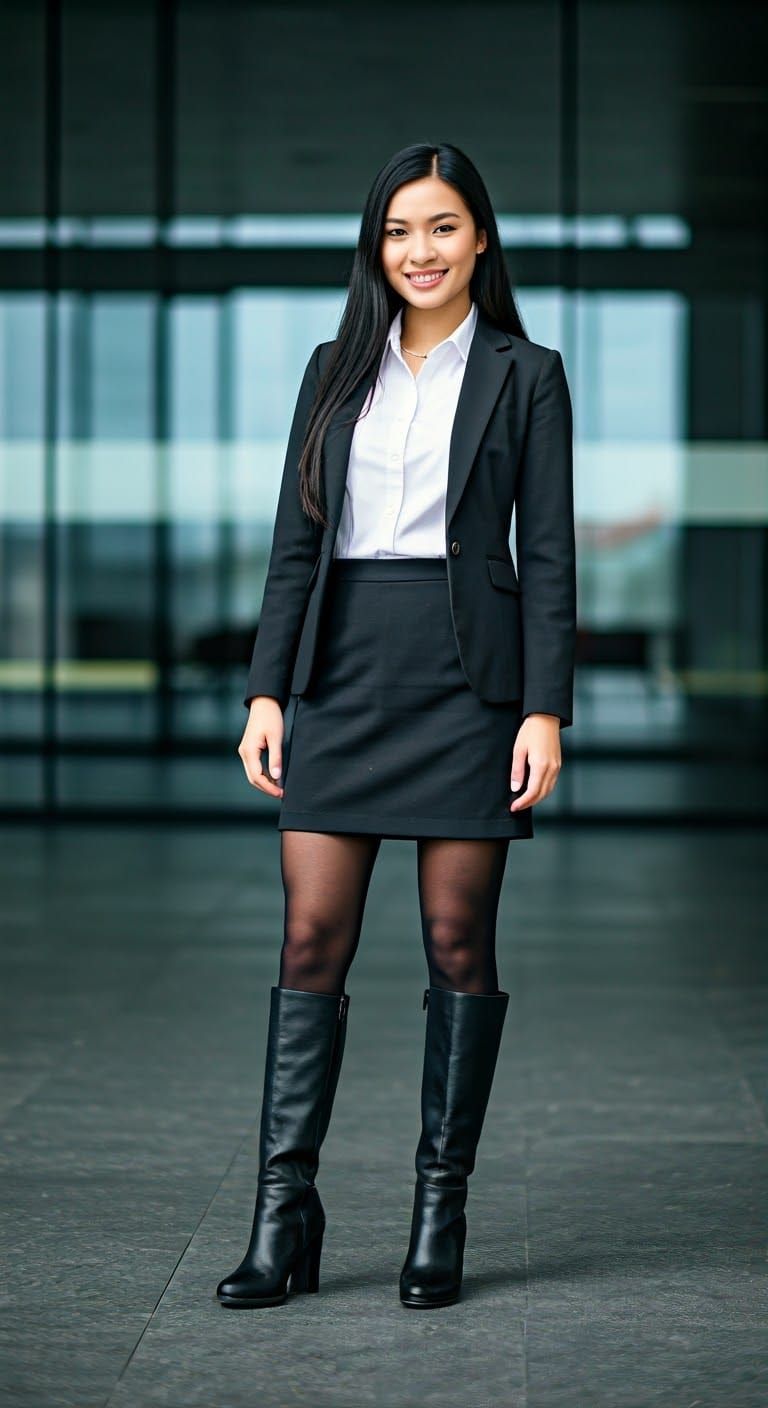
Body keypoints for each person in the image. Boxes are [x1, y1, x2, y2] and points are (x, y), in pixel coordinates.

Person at [216, 141, 576, 1311]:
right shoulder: (333, 368)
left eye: (441, 228)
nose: (418, 252)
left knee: (456, 949)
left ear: (481, 239)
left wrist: (543, 710)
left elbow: (553, 559)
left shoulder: (529, 375)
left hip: (469, 682)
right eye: (397, 232)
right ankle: (283, 1212)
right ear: (377, 247)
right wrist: (268, 688)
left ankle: (439, 1210)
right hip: (340, 667)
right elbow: (294, 542)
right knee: (309, 943)